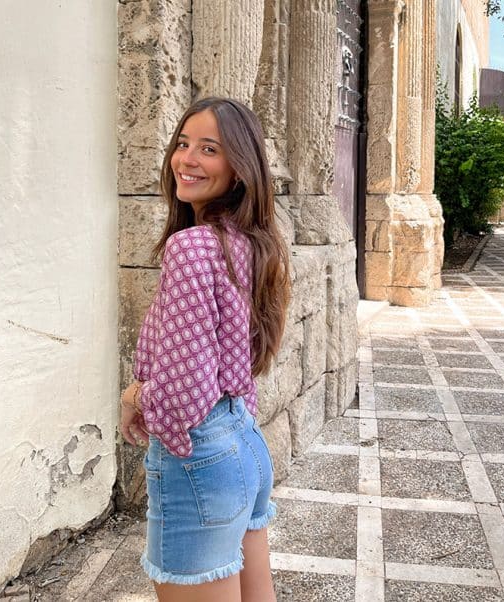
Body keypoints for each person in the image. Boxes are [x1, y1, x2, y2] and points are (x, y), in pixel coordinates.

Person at [119, 97, 291, 602]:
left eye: (209, 149)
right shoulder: (249, 243)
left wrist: (137, 398)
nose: (186, 159)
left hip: (200, 457)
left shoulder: (192, 248)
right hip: (245, 442)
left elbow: (182, 397)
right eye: (183, 143)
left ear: (239, 170)